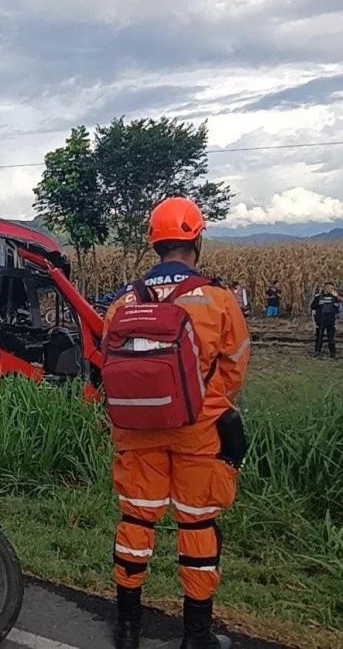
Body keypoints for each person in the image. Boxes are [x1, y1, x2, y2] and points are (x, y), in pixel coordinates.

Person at [104, 196, 250, 649]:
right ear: (196, 239)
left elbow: (107, 364)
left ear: (155, 244)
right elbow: (235, 366)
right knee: (197, 525)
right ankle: (196, 636)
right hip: (198, 432)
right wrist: (205, 408)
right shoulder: (218, 299)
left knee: (136, 522)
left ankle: (128, 629)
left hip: (136, 432)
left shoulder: (124, 301)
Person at [310, 283, 341, 358]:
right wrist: (318, 304)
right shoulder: (318, 297)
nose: (331, 290)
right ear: (325, 288)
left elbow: (337, 308)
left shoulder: (334, 298)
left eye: (332, 288)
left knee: (331, 338)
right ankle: (317, 352)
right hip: (321, 319)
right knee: (319, 337)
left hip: (330, 320)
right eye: (330, 288)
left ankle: (332, 353)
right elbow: (312, 306)